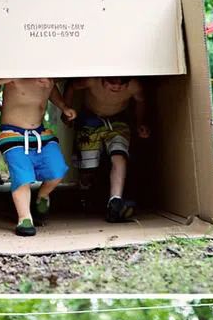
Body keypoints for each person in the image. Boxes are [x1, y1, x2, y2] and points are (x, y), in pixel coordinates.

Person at [0, 78, 76, 235]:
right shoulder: (16, 73)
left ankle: (43, 195)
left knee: (57, 168)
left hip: (40, 133)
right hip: (12, 133)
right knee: (22, 175)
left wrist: (64, 106)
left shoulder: (48, 77)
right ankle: (25, 218)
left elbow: (51, 89)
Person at [62, 77, 150, 222]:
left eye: (122, 83)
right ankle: (84, 191)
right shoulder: (91, 81)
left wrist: (140, 122)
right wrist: (66, 110)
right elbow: (71, 86)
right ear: (103, 78)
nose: (117, 87)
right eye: (112, 82)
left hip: (118, 121)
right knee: (87, 167)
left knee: (119, 155)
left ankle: (115, 200)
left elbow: (141, 101)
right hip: (89, 120)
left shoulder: (135, 86)